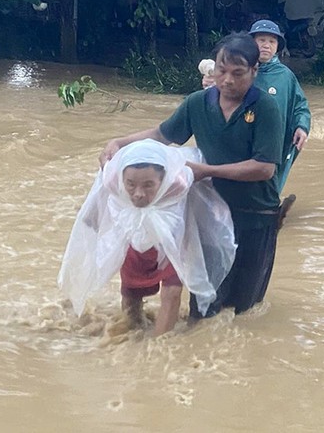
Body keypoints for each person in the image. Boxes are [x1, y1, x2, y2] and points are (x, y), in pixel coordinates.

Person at [99, 33, 285, 319]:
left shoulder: (265, 108)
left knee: (243, 309)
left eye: (238, 73)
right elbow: (163, 135)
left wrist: (206, 171)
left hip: (255, 216)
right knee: (205, 304)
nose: (228, 81)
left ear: (254, 71)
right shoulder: (198, 103)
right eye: (222, 72)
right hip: (208, 214)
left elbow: (265, 167)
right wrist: (120, 143)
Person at [57, 139, 236, 335]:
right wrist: (90, 221)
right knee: (131, 296)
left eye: (149, 185)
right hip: (133, 240)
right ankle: (130, 337)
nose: (139, 194)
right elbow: (95, 207)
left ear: (164, 179)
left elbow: (202, 194)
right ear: (121, 179)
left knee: (172, 292)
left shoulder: (179, 182)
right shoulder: (111, 180)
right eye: (131, 185)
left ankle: (159, 346)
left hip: (171, 242)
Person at [248, 19, 311, 226]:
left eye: (272, 41)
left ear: (277, 47)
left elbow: (300, 106)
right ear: (251, 43)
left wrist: (302, 126)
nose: (266, 45)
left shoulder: (285, 77)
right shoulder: (241, 72)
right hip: (244, 139)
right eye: (261, 40)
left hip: (275, 143)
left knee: (268, 182)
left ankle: (266, 218)